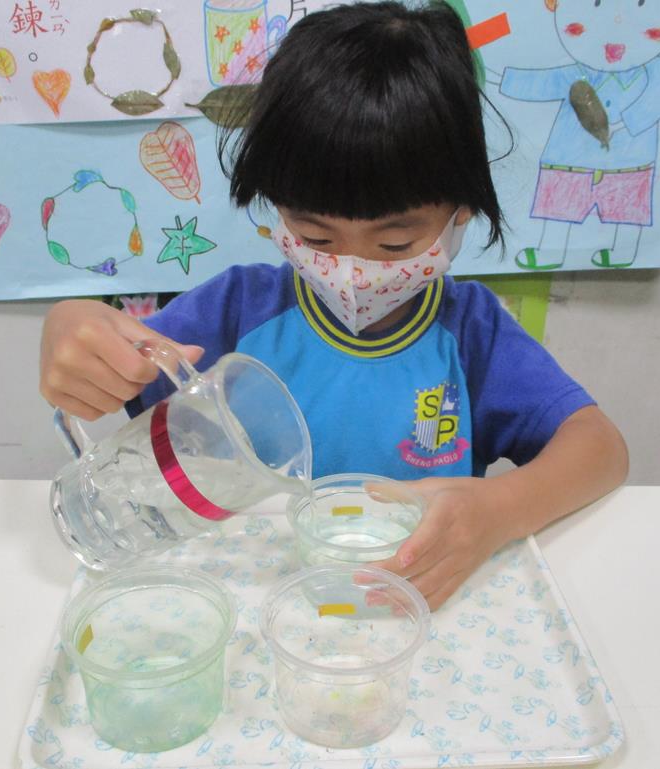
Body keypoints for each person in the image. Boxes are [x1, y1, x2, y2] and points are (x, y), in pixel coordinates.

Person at [39, 1, 628, 609]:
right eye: (315, 238)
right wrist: (69, 324)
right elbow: (120, 365)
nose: (351, 269)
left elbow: (601, 449)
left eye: (394, 244)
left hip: (408, 606)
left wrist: (498, 510)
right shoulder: (239, 308)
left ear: (464, 212)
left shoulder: (472, 333)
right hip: (255, 603)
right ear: (275, 206)